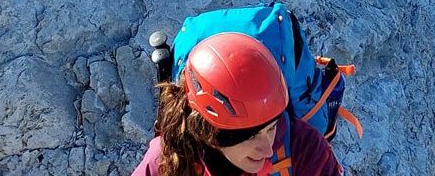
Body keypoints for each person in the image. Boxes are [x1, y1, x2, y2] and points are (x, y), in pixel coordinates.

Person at [131, 32, 343, 176]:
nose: (268, 149)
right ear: (208, 129)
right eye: (251, 136)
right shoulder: (166, 158)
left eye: (271, 128)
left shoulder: (304, 149)